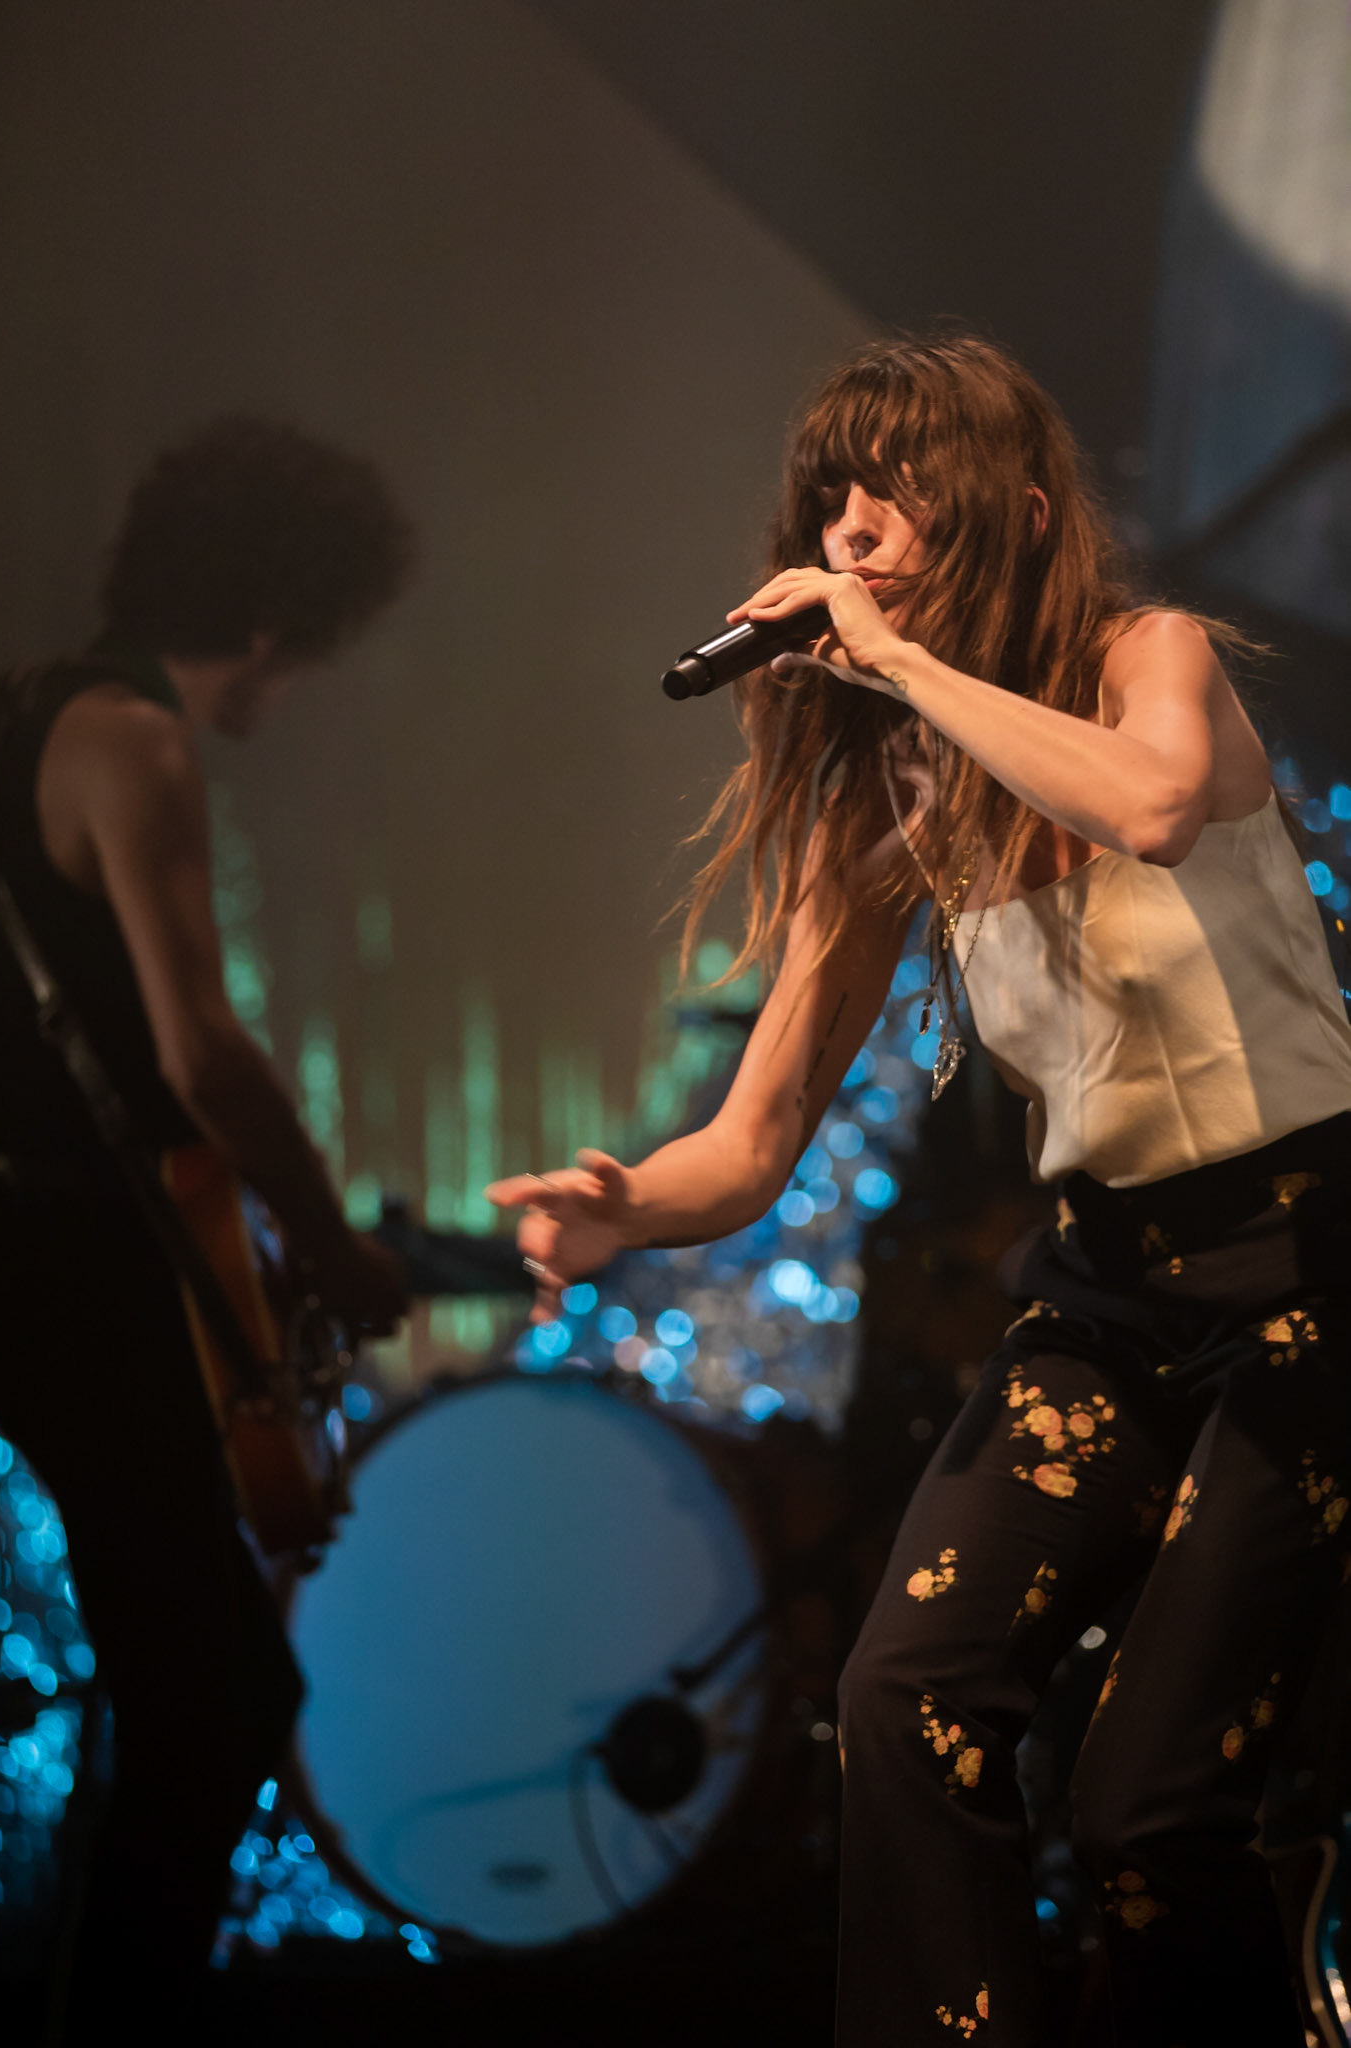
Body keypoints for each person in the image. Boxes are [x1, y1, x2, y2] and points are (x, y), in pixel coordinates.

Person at [488, 335, 1351, 2046]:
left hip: (1308, 1277)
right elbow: (753, 1136)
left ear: (1018, 514)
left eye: (897, 498)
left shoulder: (1145, 660)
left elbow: (1159, 806)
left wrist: (888, 658)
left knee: (1143, 1812)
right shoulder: (900, 791)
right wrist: (620, 1207)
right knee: (908, 1700)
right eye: (833, 503)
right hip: (1109, 1290)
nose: (855, 532)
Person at [0, 417, 411, 2038]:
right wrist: (343, 1247)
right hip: (63, 1267)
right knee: (223, 1685)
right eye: (298, 656)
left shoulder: (13, 711)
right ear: (267, 619)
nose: (274, 698)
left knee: (161, 1673)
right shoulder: (134, 741)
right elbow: (200, 1056)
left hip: (14, 1249)